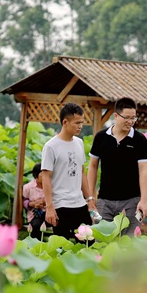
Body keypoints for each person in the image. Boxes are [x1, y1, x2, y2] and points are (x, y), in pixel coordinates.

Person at [86, 97, 147, 236]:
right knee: (102, 243)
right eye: (126, 117)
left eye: (133, 118)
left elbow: (144, 171)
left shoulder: (140, 140)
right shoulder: (101, 137)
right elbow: (92, 167)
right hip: (104, 202)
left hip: (132, 202)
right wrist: (91, 199)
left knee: (129, 247)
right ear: (116, 115)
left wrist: (144, 200)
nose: (130, 121)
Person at [41, 102, 93, 239]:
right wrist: (50, 207)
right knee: (62, 248)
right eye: (77, 123)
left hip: (79, 203)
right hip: (60, 205)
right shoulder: (51, 146)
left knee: (88, 243)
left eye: (82, 122)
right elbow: (46, 178)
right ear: (65, 122)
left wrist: (90, 199)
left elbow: (82, 173)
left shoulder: (79, 143)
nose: (80, 126)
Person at [21, 163, 47, 240]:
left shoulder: (52, 185)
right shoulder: (28, 187)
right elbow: (23, 201)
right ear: (36, 175)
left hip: (50, 212)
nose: (45, 177)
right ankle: (35, 245)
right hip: (36, 214)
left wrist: (46, 201)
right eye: (42, 175)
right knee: (36, 225)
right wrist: (32, 204)